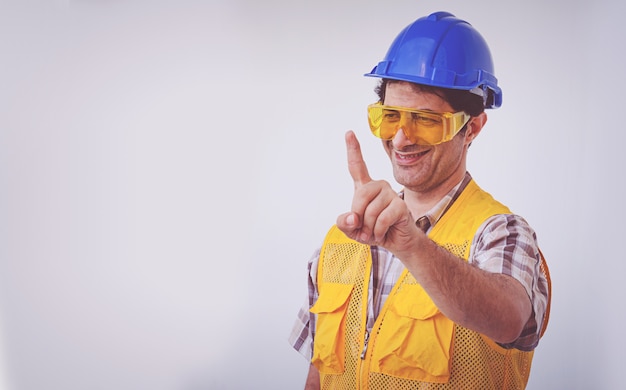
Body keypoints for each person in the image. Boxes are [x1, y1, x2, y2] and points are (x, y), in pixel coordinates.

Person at [288, 11, 551, 390]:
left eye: (425, 120)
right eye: (390, 116)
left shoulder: (501, 233)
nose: (399, 139)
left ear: (471, 127)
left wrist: (411, 245)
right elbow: (321, 372)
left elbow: (510, 319)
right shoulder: (340, 242)